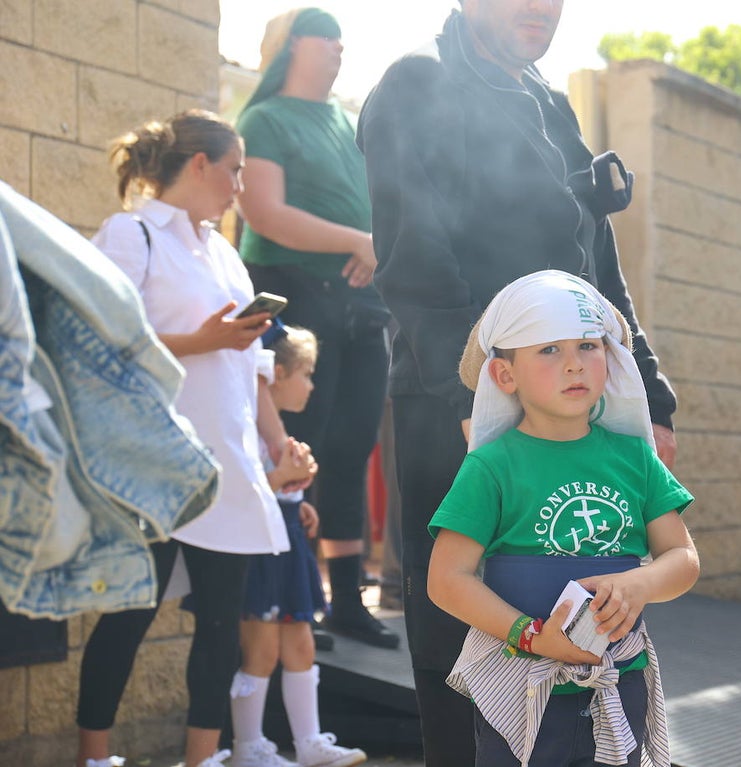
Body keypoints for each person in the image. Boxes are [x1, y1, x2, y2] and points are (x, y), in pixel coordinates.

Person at [356, 2, 678, 762]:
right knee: (465, 645)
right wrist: (482, 403)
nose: (540, 6)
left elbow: (599, 268)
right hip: (460, 411)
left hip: (574, 414)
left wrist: (652, 393)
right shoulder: (415, 85)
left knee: (584, 623)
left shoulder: (551, 103)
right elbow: (415, 267)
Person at [77, 110, 294, 767]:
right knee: (128, 612)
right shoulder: (130, 233)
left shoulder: (225, 251)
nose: (239, 187)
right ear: (199, 164)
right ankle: (95, 757)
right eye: (234, 170)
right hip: (150, 459)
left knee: (222, 622)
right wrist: (201, 341)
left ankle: (202, 759)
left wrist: (280, 445)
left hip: (226, 463)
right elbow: (99, 335)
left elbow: (252, 367)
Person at [426, 270, 698, 767]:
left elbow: (682, 557)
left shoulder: (636, 457)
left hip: (621, 677)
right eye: (548, 350)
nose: (575, 364)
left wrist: (640, 584)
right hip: (519, 684)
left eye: (588, 346)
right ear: (504, 375)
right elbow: (446, 580)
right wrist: (529, 635)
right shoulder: (492, 466)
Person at [236, 7, 396, 649]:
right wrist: (361, 239)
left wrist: (374, 243)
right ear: (289, 46)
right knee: (298, 441)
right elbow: (266, 214)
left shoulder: (345, 122)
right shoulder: (263, 119)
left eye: (341, 39)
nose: (337, 49)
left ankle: (345, 601)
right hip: (296, 291)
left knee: (353, 447)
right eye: (324, 37)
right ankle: (288, 598)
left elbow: (378, 212)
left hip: (362, 306)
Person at [230, 322, 367, 767]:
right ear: (275, 374)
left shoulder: (277, 429)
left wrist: (297, 503)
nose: (311, 385)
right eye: (305, 374)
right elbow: (243, 490)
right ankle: (248, 747)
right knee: (262, 649)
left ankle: (309, 742)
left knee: (302, 646)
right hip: (260, 553)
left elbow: (277, 485)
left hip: (288, 545)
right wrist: (282, 485)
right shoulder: (245, 423)